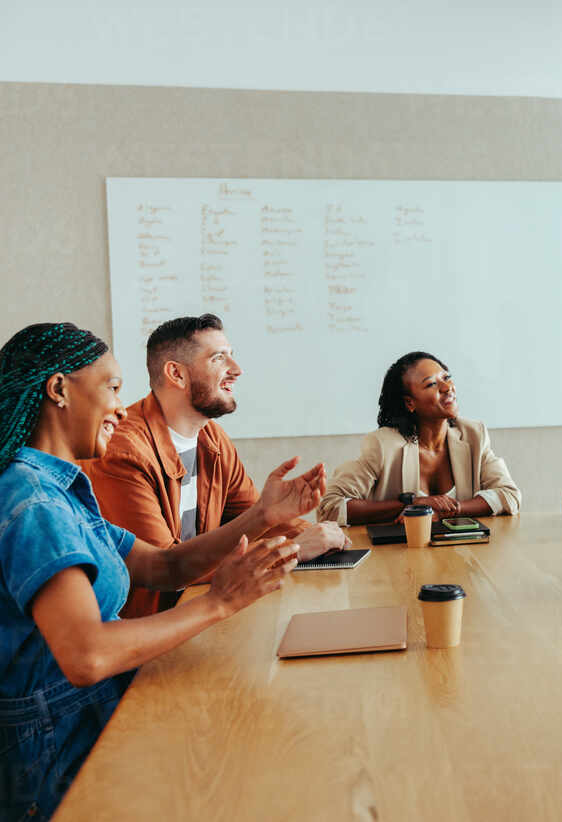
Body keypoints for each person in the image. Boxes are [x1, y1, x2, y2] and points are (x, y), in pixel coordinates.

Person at [0, 322, 318, 821]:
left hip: (88, 716)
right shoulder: (36, 503)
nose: (121, 408)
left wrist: (261, 518)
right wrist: (220, 602)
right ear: (58, 389)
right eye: (112, 387)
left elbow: (162, 565)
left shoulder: (59, 488)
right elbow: (86, 655)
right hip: (53, 747)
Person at [83, 314, 346, 618]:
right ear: (176, 375)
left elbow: (254, 519)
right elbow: (165, 570)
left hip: (199, 610)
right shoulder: (122, 452)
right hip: (151, 631)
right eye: (219, 358)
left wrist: (318, 535)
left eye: (231, 356)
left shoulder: (212, 439)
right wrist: (294, 551)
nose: (236, 370)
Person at [318, 351, 521, 525]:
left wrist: (453, 509)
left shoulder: (474, 435)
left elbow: (509, 495)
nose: (447, 387)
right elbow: (330, 507)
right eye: (431, 384)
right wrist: (412, 505)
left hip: (464, 556)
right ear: (409, 403)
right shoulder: (384, 445)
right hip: (397, 560)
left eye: (447, 377)